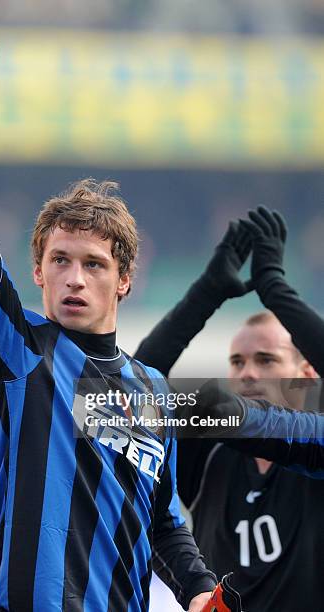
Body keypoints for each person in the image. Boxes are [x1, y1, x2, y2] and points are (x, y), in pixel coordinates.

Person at [0, 5, 217, 611]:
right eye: (59, 261)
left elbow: (162, 524)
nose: (74, 278)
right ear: (37, 272)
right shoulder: (18, 350)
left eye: (94, 264)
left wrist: (199, 590)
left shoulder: (154, 392)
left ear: (125, 280)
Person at [135, 206, 324, 611]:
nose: (248, 373)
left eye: (267, 360)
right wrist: (206, 292)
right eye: (237, 362)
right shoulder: (208, 451)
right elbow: (127, 399)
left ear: (307, 373)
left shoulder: (318, 448)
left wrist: (275, 287)